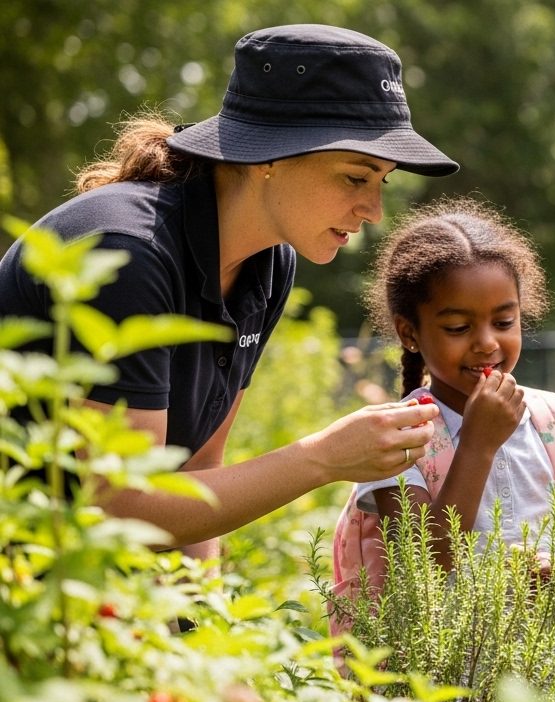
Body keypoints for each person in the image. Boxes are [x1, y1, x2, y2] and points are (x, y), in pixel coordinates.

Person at [0, 25, 455, 562]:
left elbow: (195, 469)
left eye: (383, 181)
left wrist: (206, 630)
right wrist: (321, 460)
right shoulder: (128, 256)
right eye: (356, 178)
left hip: (78, 580)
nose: (374, 210)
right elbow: (123, 506)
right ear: (267, 156)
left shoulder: (269, 260)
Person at [336, 199, 555, 702]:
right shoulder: (394, 437)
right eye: (458, 325)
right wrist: (479, 444)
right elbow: (428, 559)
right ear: (410, 332)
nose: (487, 342)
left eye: (503, 321)